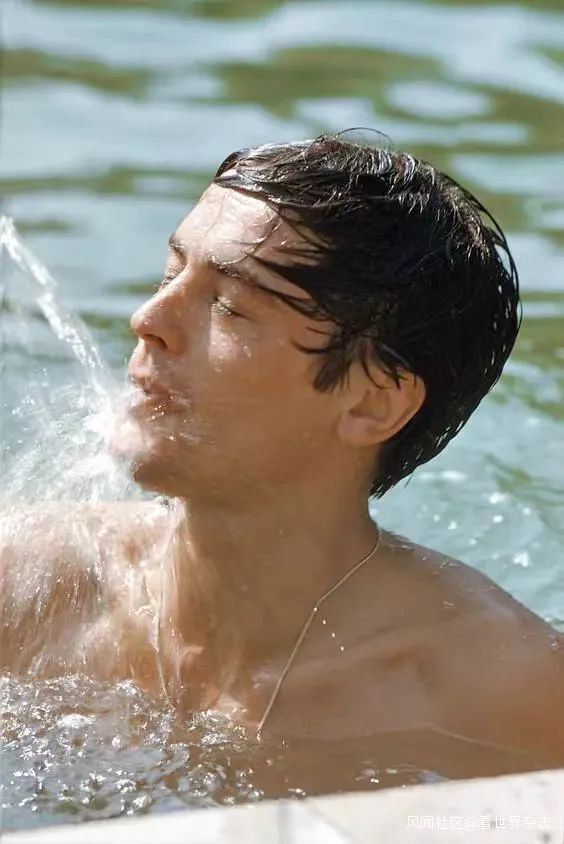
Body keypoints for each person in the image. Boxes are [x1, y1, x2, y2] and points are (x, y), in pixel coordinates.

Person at [2, 135, 564, 792]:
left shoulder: (502, 692)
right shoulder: (27, 582)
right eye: (170, 274)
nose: (148, 320)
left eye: (229, 305)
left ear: (372, 402)